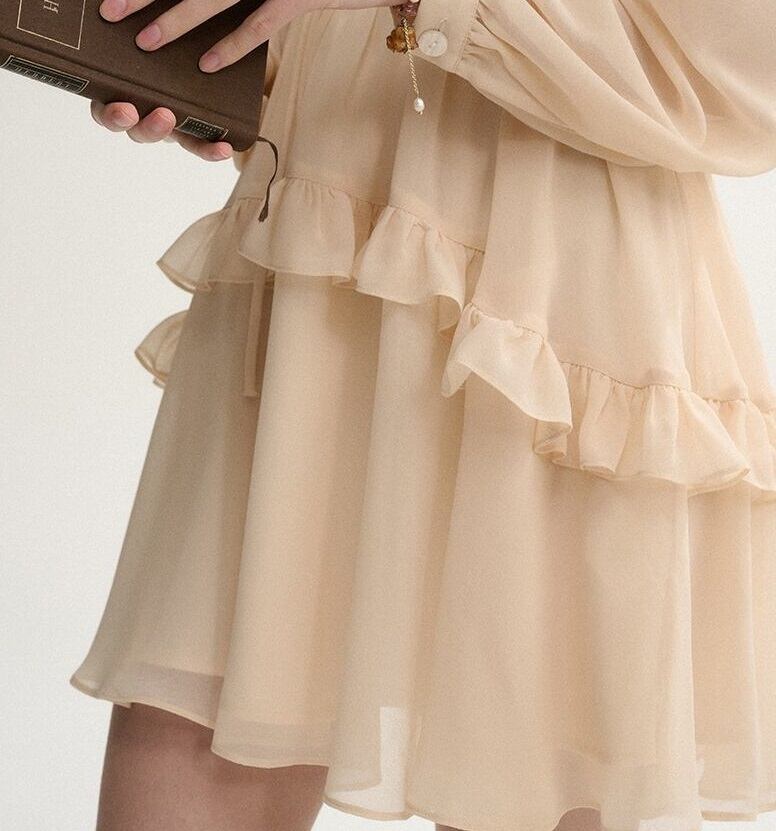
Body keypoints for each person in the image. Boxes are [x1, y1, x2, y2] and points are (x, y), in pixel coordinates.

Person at [71, 1, 776, 830]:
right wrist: (212, 60)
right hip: (319, 251)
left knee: (521, 763)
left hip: (548, 309)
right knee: (202, 727)